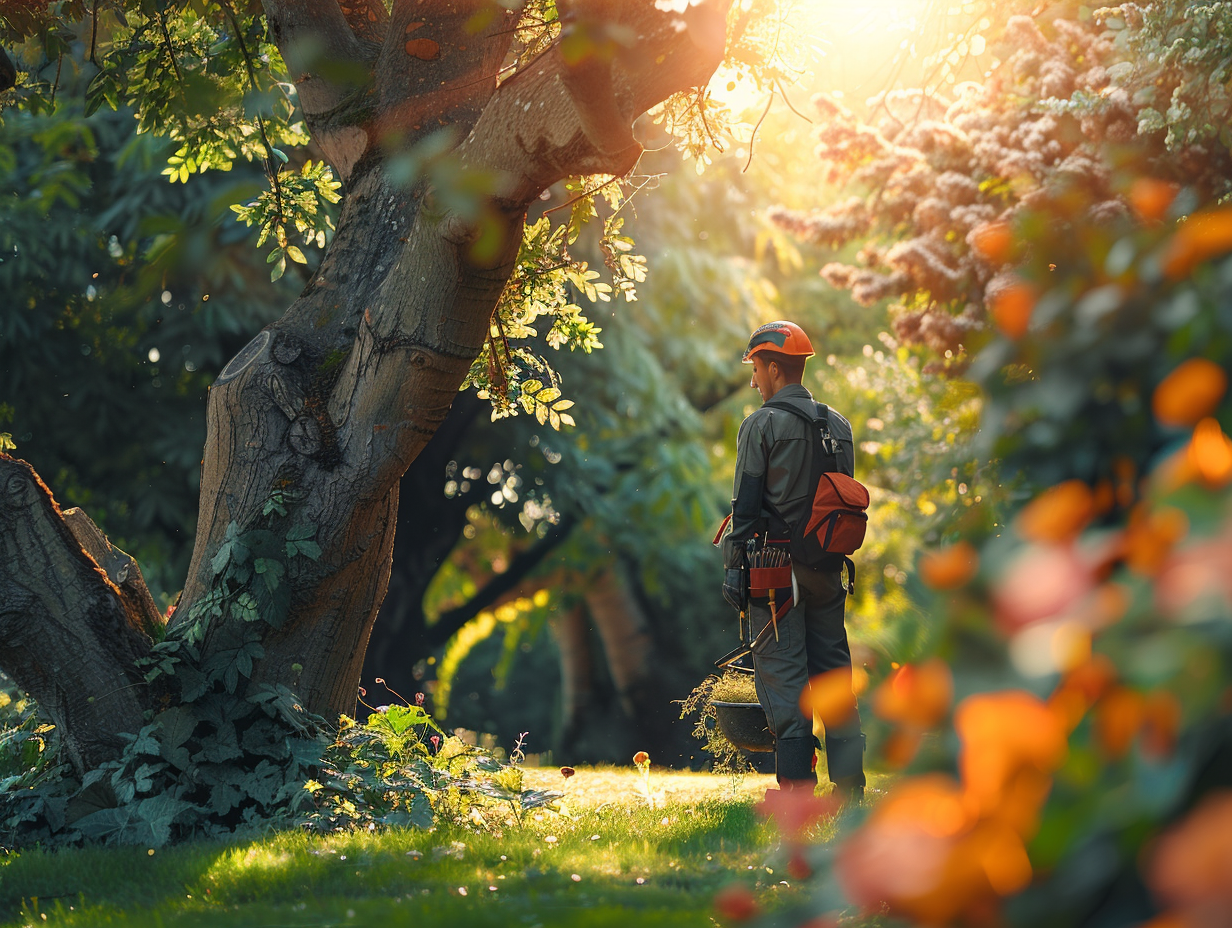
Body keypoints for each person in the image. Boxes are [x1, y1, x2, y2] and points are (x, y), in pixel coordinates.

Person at [720, 321, 865, 799]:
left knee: (783, 680)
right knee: (834, 681)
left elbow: (745, 507)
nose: (754, 380)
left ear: (776, 368)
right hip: (828, 573)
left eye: (757, 369)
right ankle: (849, 788)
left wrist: (734, 569)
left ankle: (798, 794)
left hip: (776, 574)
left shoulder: (760, 424)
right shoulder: (838, 425)